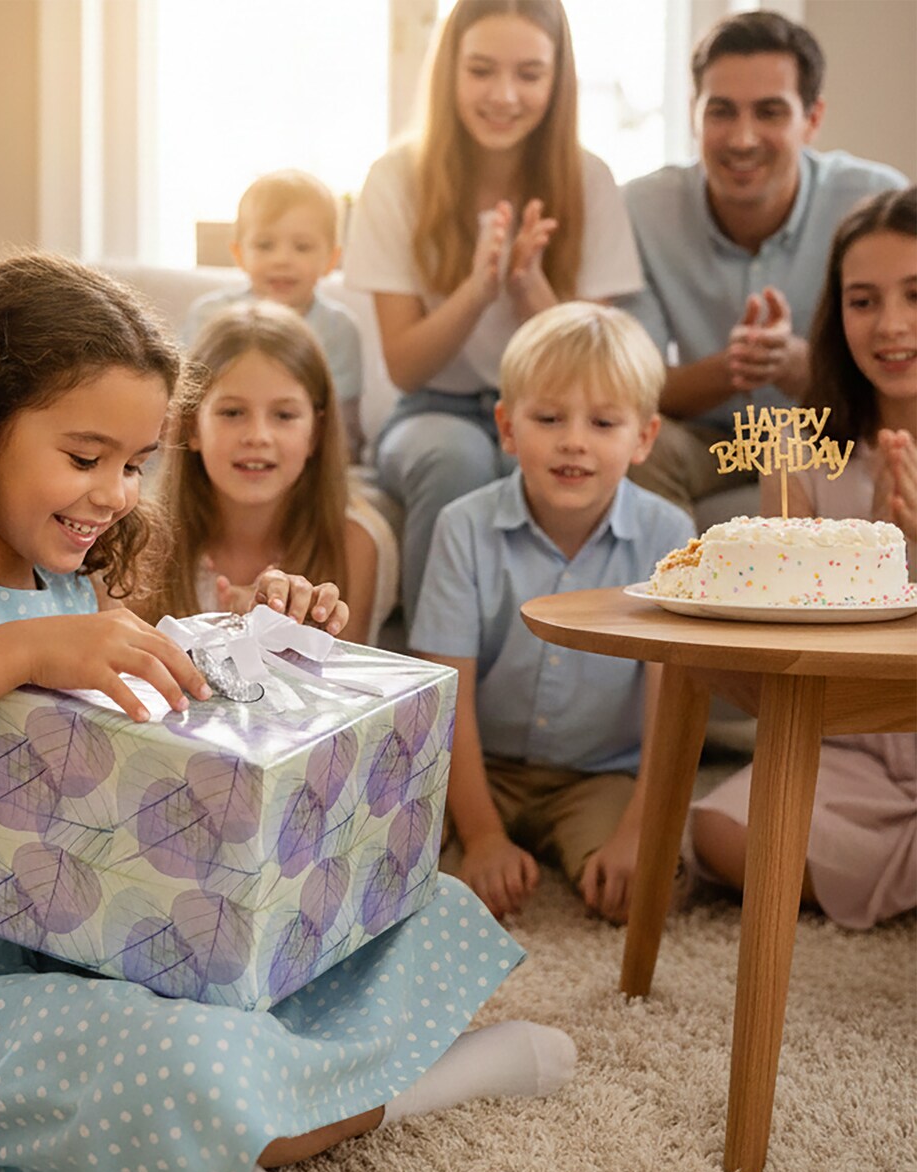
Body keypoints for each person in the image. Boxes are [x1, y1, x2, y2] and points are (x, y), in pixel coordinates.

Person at [0, 252, 576, 1172]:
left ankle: (235, 1139)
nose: (115, 494)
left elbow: (155, 738)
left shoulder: (72, 583)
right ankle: (394, 1093)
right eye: (84, 458)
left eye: (136, 465)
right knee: (187, 1067)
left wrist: (257, 641)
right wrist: (20, 651)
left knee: (405, 917)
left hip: (79, 937)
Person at [342, 0, 643, 626]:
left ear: (558, 80)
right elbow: (405, 366)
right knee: (455, 457)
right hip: (431, 408)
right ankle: (435, 670)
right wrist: (477, 291)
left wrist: (528, 290)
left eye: (529, 74)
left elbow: (593, 371)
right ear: (449, 70)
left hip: (548, 407)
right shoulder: (395, 177)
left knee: (541, 455)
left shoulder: (591, 180)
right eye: (481, 70)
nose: (504, 95)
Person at [410, 302, 694, 923]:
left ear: (644, 438)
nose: (574, 441)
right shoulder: (464, 527)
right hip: (483, 769)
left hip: (600, 778)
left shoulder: (669, 535)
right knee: (411, 877)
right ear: (507, 428)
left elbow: (673, 703)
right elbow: (444, 693)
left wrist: (637, 832)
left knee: (645, 891)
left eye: (603, 422)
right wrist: (483, 836)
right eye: (548, 418)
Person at [690, 187, 917, 930]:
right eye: (863, 301)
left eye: (914, 295)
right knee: (721, 831)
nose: (891, 325)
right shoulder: (798, 444)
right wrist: (872, 553)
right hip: (854, 750)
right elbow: (787, 632)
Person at [618, 9, 909, 520]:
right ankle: (677, 573)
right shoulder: (641, 209)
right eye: (721, 112)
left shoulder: (872, 200)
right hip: (711, 438)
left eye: (770, 112)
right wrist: (733, 368)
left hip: (832, 428)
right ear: (693, 115)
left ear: (812, 119)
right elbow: (632, 387)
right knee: (634, 444)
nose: (742, 138)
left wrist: (801, 365)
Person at [144, 301, 398, 646]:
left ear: (316, 433)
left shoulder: (356, 544)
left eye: (284, 415)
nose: (258, 436)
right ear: (192, 427)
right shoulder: (144, 542)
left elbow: (347, 678)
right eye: (232, 412)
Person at [183, 169, 366, 462]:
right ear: (238, 254)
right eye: (265, 245)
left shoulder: (338, 329)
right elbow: (182, 414)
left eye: (302, 247)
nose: (282, 259)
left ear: (331, 259)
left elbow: (343, 432)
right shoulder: (208, 317)